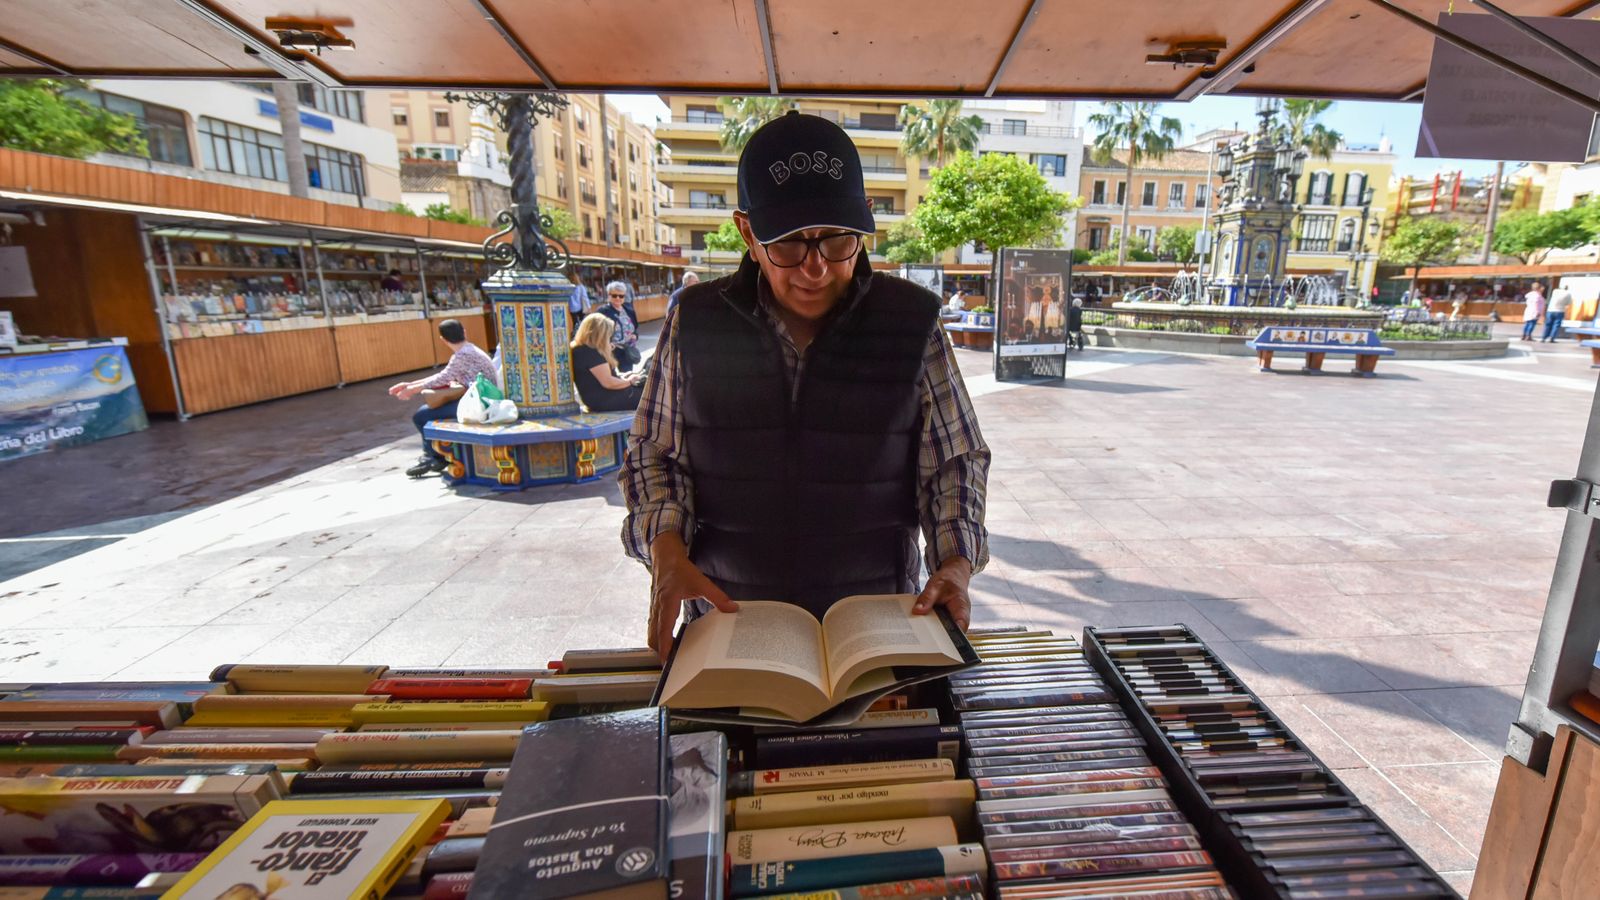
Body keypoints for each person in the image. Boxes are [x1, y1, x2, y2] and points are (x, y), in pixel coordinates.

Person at [619, 110, 990, 657]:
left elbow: (955, 462)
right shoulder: (694, 321)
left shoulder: (913, 323)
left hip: (877, 625)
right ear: (748, 232)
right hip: (730, 624)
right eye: (789, 245)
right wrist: (667, 551)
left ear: (864, 222)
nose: (815, 268)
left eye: (837, 241)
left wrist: (955, 564)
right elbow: (655, 455)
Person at [389, 319, 497, 477]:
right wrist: (409, 384)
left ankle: (436, 456)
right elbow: (444, 376)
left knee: (421, 416)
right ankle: (436, 455)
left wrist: (411, 389)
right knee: (425, 413)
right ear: (464, 332)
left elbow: (443, 378)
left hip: (480, 403)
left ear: (442, 340)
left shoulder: (463, 355)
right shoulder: (469, 350)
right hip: (479, 399)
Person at [570, 312, 645, 411]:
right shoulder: (590, 352)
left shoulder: (582, 349)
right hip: (605, 399)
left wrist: (625, 377)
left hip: (599, 397)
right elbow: (608, 382)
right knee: (652, 392)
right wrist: (630, 381)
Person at [597, 280, 642, 373]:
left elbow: (635, 328)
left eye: (621, 296)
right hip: (610, 351)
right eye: (614, 295)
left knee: (627, 375)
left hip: (626, 350)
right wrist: (607, 342)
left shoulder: (629, 310)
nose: (618, 298)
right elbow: (598, 331)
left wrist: (635, 335)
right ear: (609, 295)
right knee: (611, 377)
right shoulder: (602, 311)